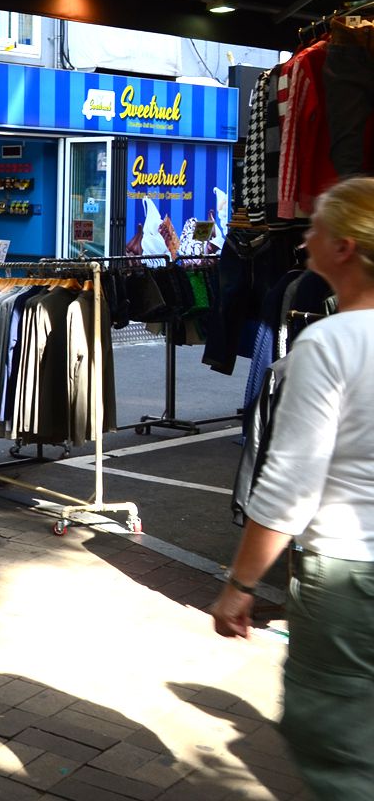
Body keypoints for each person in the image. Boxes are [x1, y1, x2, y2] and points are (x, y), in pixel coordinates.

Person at [212, 177, 374, 796]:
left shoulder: (330, 342)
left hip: (347, 572)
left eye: (316, 229)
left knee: (335, 744)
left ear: (345, 247)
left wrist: (240, 585)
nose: (303, 241)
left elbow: (290, 484)